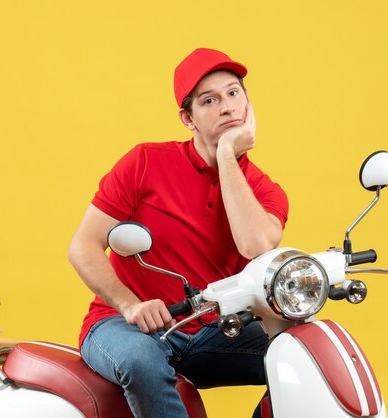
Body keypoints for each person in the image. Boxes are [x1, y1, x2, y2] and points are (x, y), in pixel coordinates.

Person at [67, 47, 289, 418]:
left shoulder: (264, 190)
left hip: (212, 330)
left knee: (304, 353)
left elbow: (254, 244)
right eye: (210, 100)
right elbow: (83, 247)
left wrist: (225, 157)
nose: (227, 107)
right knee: (141, 361)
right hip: (123, 325)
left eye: (234, 93)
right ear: (188, 118)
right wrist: (130, 304)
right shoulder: (145, 162)